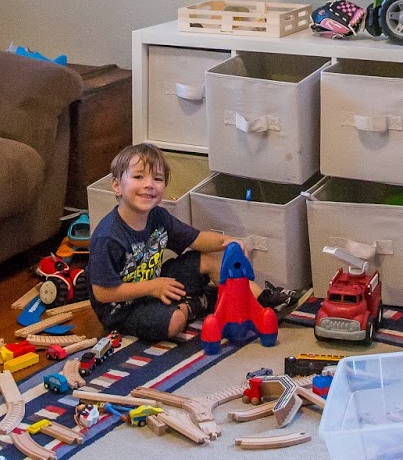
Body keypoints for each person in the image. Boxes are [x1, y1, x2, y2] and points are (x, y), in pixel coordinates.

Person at [88, 144, 304, 341]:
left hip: (156, 283)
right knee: (174, 322)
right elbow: (103, 293)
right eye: (138, 177)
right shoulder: (108, 237)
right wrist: (152, 287)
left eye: (157, 179)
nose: (149, 185)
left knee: (207, 260)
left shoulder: (158, 216)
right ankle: (197, 304)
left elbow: (197, 239)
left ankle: (261, 302)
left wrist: (227, 241)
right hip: (123, 309)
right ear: (117, 185)